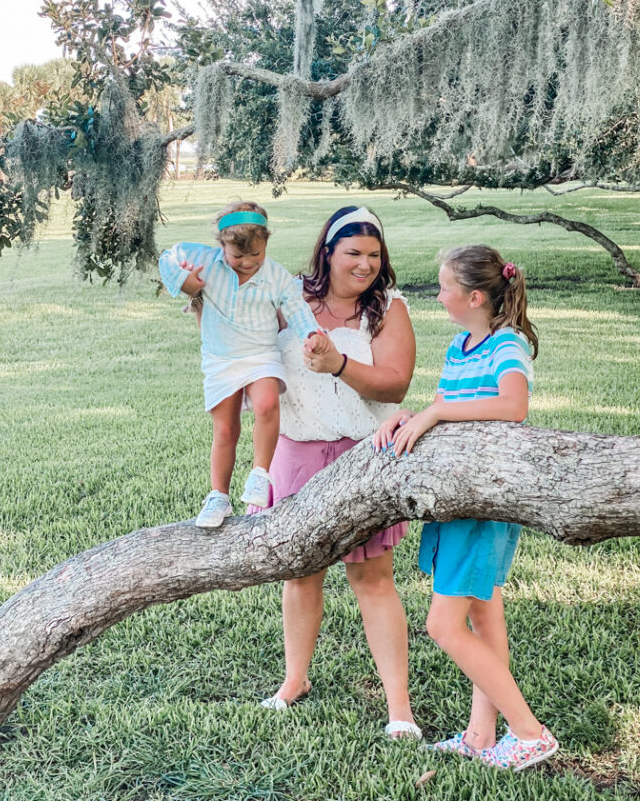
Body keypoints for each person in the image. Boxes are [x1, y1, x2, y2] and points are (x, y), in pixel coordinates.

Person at [373, 244, 559, 770]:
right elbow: (448, 409)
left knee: (443, 625)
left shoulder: (506, 344)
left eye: (444, 288)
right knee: (483, 617)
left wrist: (435, 412)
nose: (438, 295)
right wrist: (410, 415)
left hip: (483, 505)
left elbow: (513, 405)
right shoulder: (460, 345)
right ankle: (481, 735)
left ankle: (529, 732)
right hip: (455, 500)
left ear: (474, 296)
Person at [250, 205, 422, 741]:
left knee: (372, 577)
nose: (365, 264)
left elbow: (395, 387)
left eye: (374, 255)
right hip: (295, 450)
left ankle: (399, 710)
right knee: (301, 574)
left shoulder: (387, 310)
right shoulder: (289, 297)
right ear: (328, 251)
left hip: (363, 453)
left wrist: (340, 365)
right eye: (354, 253)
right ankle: (293, 681)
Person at [159, 201, 320, 527]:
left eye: (255, 255)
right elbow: (167, 256)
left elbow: (296, 308)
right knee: (226, 429)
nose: (247, 263)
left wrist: (312, 335)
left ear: (266, 242)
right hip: (220, 359)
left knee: (266, 405)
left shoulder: (275, 275)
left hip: (261, 354)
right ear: (222, 246)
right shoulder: (205, 261)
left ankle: (260, 474)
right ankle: (218, 496)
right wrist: (183, 279)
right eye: (238, 256)